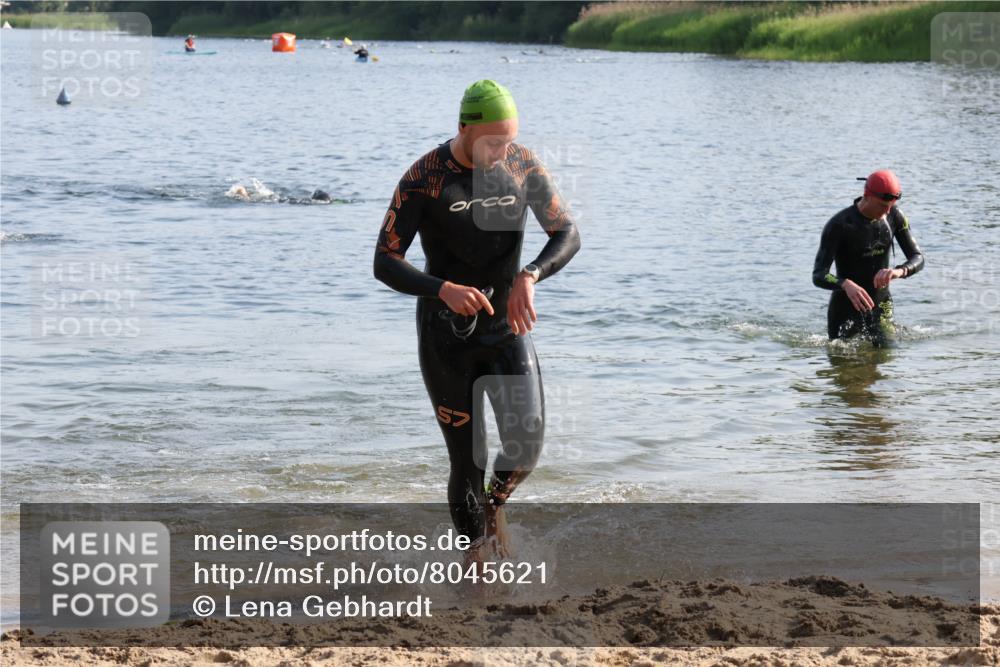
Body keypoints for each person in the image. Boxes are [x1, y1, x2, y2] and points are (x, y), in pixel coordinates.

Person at [373, 80, 580, 559]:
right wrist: (440, 288)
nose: (500, 150)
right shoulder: (424, 178)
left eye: (508, 139)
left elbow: (566, 232)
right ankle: (476, 564)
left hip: (507, 331)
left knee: (526, 445)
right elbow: (385, 261)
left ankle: (493, 508)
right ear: (464, 128)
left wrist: (531, 275)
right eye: (492, 140)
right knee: (468, 460)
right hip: (446, 339)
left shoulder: (521, 165)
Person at [812, 169, 924, 347]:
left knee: (887, 356)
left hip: (882, 304)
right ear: (866, 195)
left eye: (891, 205)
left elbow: (918, 258)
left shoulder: (895, 216)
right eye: (882, 205)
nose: (887, 211)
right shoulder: (839, 225)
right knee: (842, 367)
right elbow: (818, 274)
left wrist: (898, 271)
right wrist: (844, 284)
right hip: (844, 308)